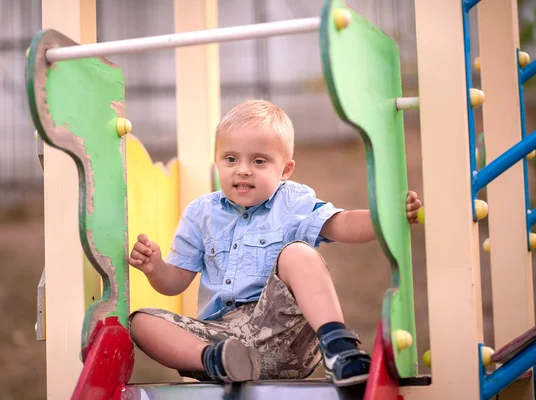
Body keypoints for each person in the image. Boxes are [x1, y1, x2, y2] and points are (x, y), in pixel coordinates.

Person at [128, 99, 422, 387]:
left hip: (284, 337)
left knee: (297, 253)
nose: (243, 169)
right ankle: (213, 360)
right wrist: (155, 268)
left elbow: (341, 224)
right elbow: (175, 282)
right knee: (141, 322)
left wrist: (385, 217)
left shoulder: (292, 202)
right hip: (221, 338)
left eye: (259, 161)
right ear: (216, 161)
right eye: (231, 159)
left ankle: (339, 348)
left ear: (285, 170)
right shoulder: (200, 213)